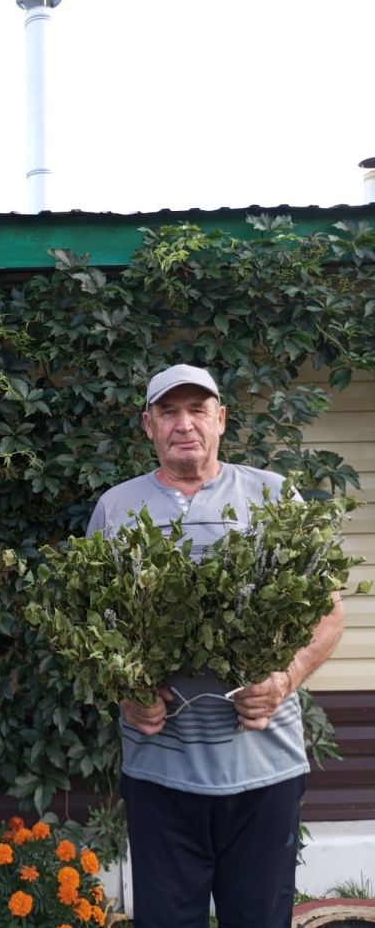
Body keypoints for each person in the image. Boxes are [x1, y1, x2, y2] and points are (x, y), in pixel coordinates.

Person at [86, 365, 345, 928]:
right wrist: (126, 692)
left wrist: (284, 680)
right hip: (160, 774)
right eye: (169, 412)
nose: (185, 425)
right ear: (148, 425)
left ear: (221, 420)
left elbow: (330, 611)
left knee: (258, 917)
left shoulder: (275, 497)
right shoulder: (115, 508)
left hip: (264, 771)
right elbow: (90, 629)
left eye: (197, 410)